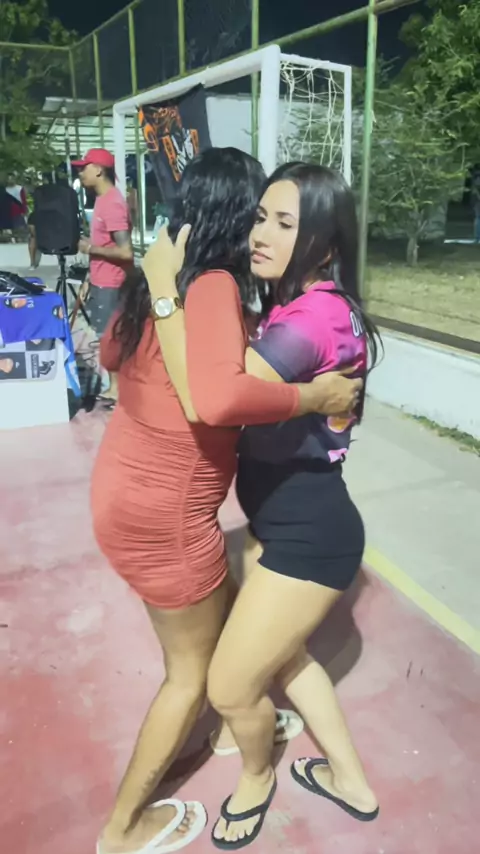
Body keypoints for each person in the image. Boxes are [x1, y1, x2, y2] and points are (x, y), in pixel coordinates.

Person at [91, 148, 362, 854]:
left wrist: (159, 291)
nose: (262, 234)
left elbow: (111, 357)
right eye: (259, 217)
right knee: (195, 676)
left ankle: (228, 731)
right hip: (170, 517)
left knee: (227, 646)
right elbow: (214, 399)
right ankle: (123, 826)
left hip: (122, 494)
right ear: (237, 217)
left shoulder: (165, 278)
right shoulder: (207, 286)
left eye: (280, 221)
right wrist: (312, 396)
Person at [72, 148, 133, 406]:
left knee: (110, 337)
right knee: (106, 335)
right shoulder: (102, 199)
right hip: (101, 280)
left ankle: (118, 389)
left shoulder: (113, 204)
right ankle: (116, 386)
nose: (80, 172)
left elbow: (126, 252)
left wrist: (90, 249)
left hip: (112, 284)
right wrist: (89, 277)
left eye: (84, 167)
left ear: (98, 170)